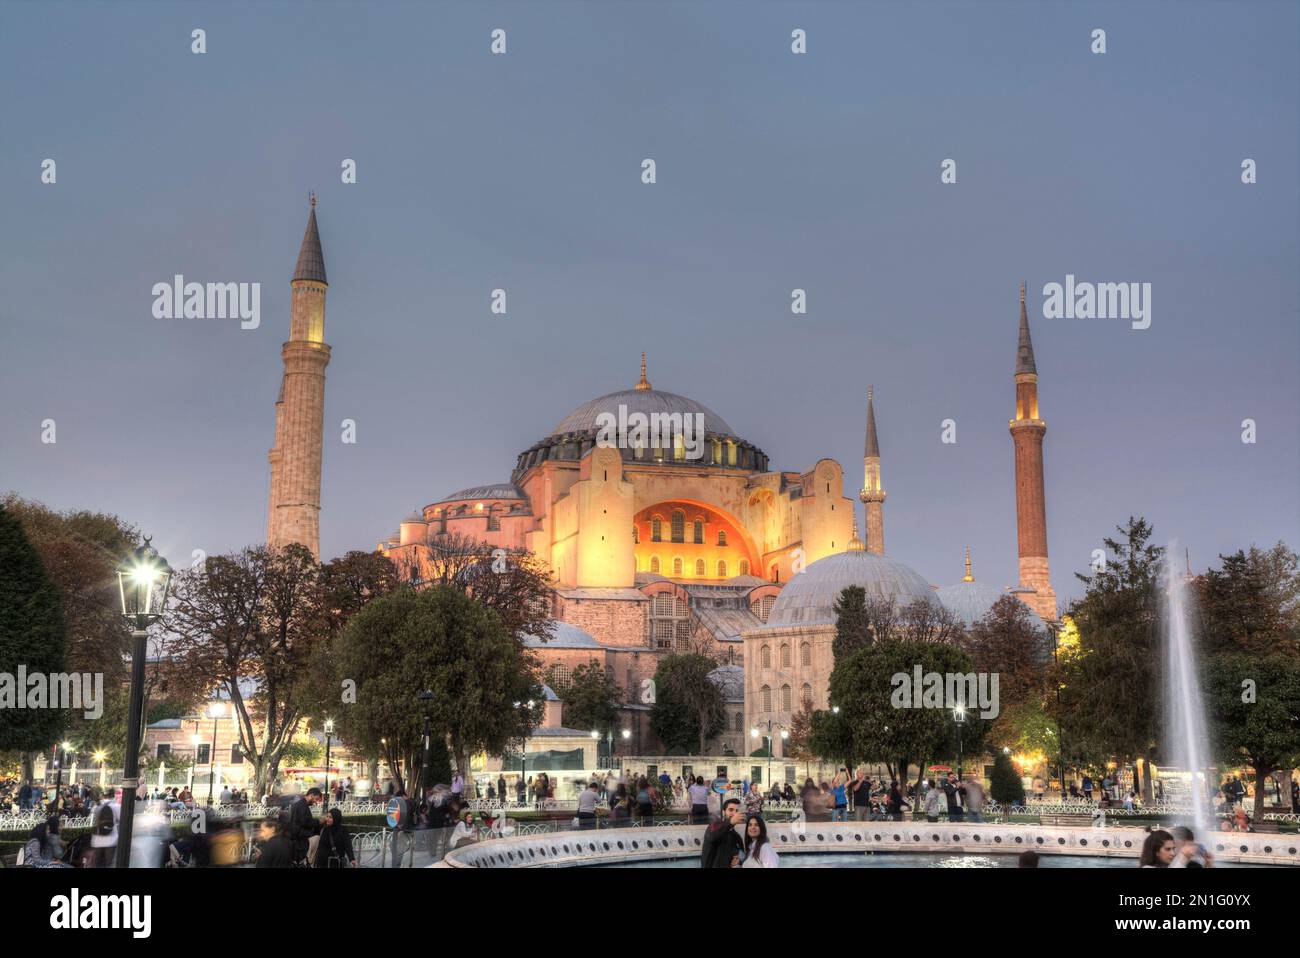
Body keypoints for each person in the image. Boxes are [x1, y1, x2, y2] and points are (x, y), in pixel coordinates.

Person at [701, 797, 745, 868]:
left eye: (736, 811)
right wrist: (730, 823)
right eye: (731, 810)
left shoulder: (736, 835)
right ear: (723, 812)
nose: (734, 813)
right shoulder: (714, 826)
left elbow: (741, 853)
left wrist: (738, 860)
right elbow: (712, 836)